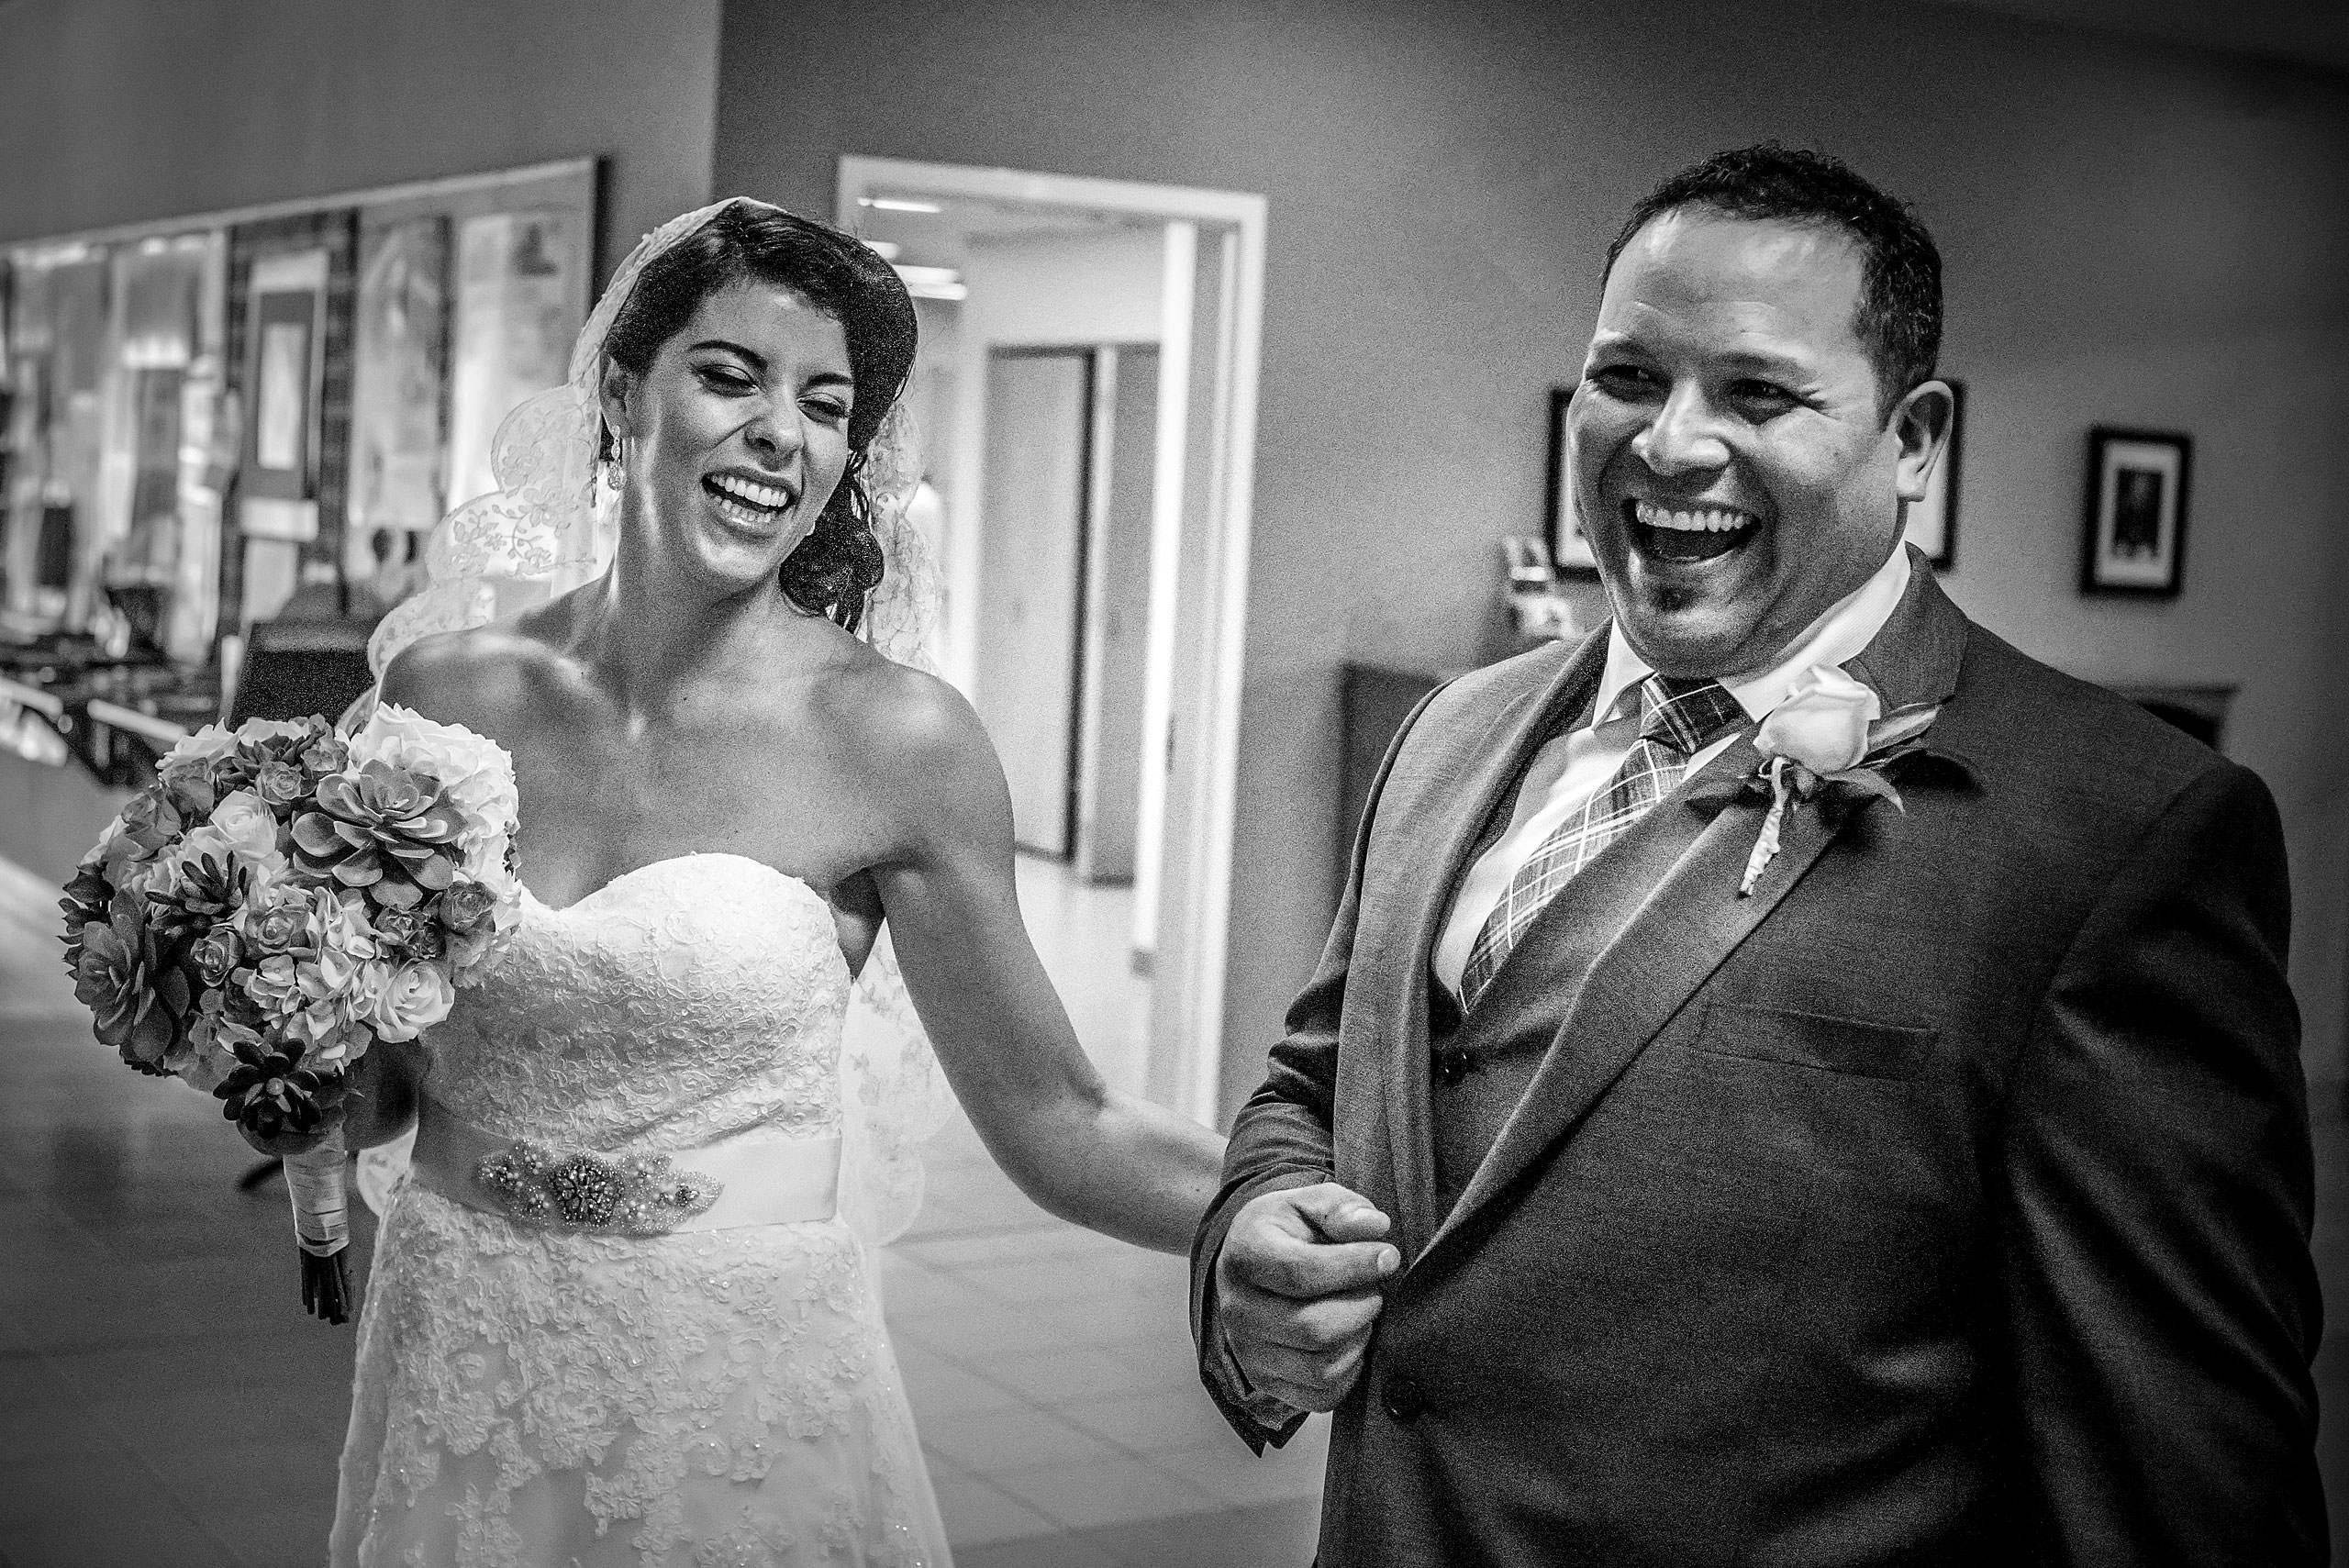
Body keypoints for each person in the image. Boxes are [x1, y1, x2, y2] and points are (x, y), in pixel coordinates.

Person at [1194, 145, 2325, 1564]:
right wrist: (1246, 1233)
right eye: (1627, 377)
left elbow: (2181, 1481)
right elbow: (1315, 1079)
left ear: (1913, 438)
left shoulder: (2116, 835)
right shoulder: (1450, 732)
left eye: (1759, 392)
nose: (1670, 442)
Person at [258, 199, 1224, 1566]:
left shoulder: (897, 741)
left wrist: (1298, 1211)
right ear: (619, 393)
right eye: (731, 376)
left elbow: (1062, 1116)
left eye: (825, 404)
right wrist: (268, 1029)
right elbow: (387, 1087)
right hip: (462, 1342)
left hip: (733, 1384)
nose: (784, 430)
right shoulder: (442, 699)